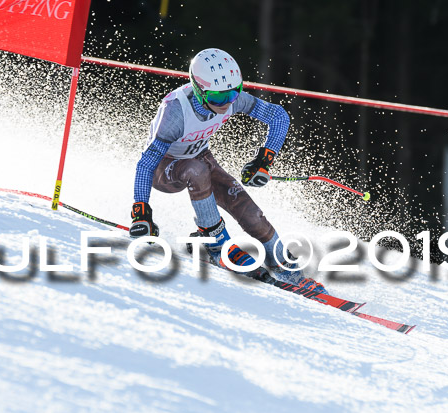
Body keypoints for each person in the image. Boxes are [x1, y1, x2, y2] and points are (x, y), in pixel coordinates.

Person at [128, 48, 326, 294]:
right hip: (164, 168)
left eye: (234, 94)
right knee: (196, 169)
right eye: (218, 98)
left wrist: (263, 160)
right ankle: (216, 246)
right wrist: (141, 211)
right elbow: (147, 163)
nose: (227, 103)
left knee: (248, 210)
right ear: (199, 90)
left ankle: (284, 265)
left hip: (200, 158)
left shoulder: (230, 100)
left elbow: (279, 116)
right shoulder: (175, 111)